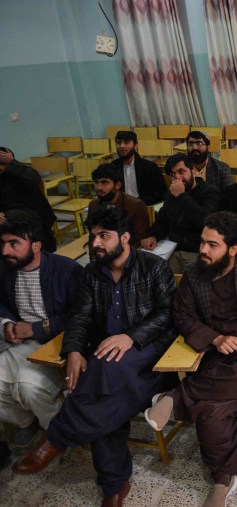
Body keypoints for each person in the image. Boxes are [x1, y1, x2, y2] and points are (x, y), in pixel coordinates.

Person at [12, 207, 177, 507]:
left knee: (99, 372)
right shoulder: (92, 272)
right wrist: (74, 349)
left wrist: (130, 337)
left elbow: (168, 315)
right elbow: (81, 317)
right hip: (109, 365)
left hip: (150, 355)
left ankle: (58, 437)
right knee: (105, 399)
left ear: (125, 237)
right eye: (92, 236)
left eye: (104, 236)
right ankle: (114, 486)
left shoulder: (154, 267)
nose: (96, 243)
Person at [144, 211, 237, 507]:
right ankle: (223, 481)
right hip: (215, 354)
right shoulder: (196, 274)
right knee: (211, 409)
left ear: (233, 249)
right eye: (202, 242)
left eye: (212, 245)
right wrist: (215, 338)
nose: (203, 250)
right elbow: (182, 315)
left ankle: (175, 397)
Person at [0, 213, 83, 447]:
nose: (6, 250)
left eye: (14, 243)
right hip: (17, 344)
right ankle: (26, 422)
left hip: (56, 343)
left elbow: (79, 315)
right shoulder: (6, 268)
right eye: (4, 243)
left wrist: (35, 329)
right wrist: (7, 324)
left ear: (36, 246)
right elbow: (2, 303)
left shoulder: (67, 270)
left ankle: (56, 433)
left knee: (28, 386)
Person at [141, 154, 221, 274]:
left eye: (181, 171)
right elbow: (162, 221)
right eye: (172, 174)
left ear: (193, 171)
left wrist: (181, 196)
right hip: (173, 250)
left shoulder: (210, 192)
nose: (177, 177)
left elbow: (206, 222)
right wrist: (153, 235)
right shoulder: (170, 194)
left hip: (198, 251)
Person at [0, 147, 57, 252]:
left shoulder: (20, 172)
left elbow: (35, 179)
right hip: (7, 224)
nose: (1, 168)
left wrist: (12, 163)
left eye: (4, 164)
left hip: (34, 221)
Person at [88, 163, 149, 245]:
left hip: (127, 251)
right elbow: (93, 237)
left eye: (105, 183)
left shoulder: (136, 205)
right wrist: (94, 258)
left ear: (117, 185)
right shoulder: (93, 205)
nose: (99, 187)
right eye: (96, 182)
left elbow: (139, 239)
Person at [113, 130, 166, 205]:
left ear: (135, 146)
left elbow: (160, 194)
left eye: (126, 142)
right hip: (120, 207)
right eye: (119, 143)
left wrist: (137, 202)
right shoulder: (113, 167)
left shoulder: (149, 167)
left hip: (142, 206)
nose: (122, 146)